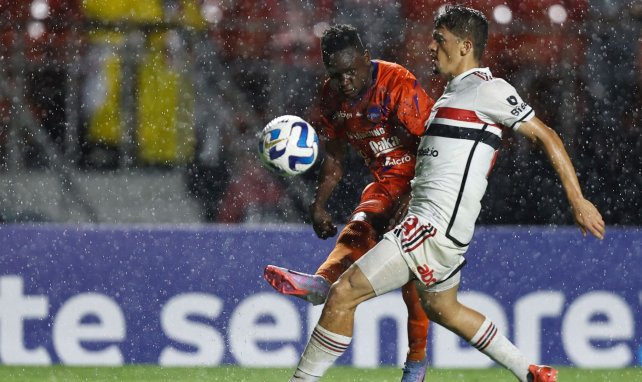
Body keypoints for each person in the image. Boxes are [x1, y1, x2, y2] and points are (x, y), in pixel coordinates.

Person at [288, 6, 605, 382]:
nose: (430, 46)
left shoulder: (490, 89)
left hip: (429, 229)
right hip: (438, 231)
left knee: (343, 295)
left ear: (466, 46)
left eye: (440, 40)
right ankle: (530, 372)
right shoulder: (447, 98)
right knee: (444, 309)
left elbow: (546, 135)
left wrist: (577, 199)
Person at [263, 24, 435, 381]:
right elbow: (336, 157)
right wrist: (319, 204)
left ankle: (416, 364)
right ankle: (321, 284)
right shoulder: (331, 96)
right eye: (336, 75)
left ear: (366, 59)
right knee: (361, 224)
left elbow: (435, 148)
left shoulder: (397, 84)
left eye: (351, 72)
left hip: (427, 185)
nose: (344, 82)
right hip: (385, 183)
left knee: (416, 275)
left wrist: (415, 199)